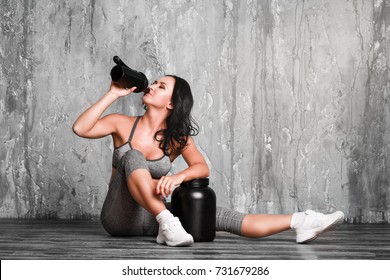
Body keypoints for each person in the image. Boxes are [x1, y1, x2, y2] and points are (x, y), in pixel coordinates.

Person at [72, 75, 344, 247]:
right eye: (154, 82)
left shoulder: (176, 138)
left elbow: (201, 168)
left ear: (170, 104)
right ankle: (167, 222)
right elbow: (81, 128)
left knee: (215, 215)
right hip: (119, 217)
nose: (152, 85)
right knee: (133, 156)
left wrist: (177, 177)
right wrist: (113, 93)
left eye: (161, 86)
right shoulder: (122, 124)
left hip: (154, 219)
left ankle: (300, 221)